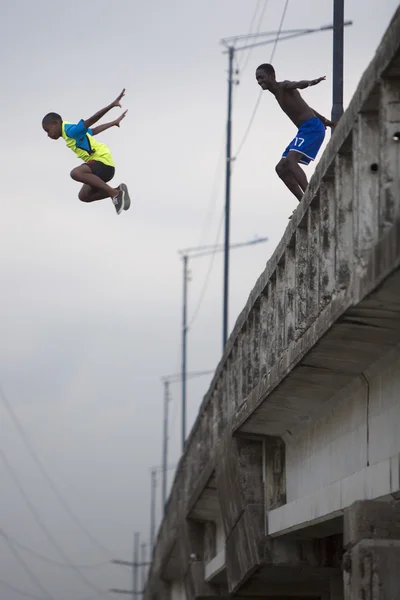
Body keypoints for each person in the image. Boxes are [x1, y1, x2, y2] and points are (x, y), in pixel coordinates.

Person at [42, 89, 130, 215]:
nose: (48, 135)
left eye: (48, 130)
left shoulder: (70, 131)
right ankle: (118, 190)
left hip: (103, 162)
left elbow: (91, 120)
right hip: (100, 168)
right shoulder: (70, 132)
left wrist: (111, 105)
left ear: (55, 123)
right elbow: (92, 131)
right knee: (84, 196)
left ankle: (114, 194)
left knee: (76, 173)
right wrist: (113, 123)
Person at [255, 64, 335, 203]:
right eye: (257, 79)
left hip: (311, 128)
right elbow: (305, 107)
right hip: (305, 129)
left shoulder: (283, 86)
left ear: (272, 75)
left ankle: (311, 196)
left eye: (261, 77)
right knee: (281, 168)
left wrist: (310, 82)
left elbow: (297, 84)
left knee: (291, 160)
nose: (259, 81)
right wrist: (326, 121)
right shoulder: (277, 95)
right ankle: (303, 201)